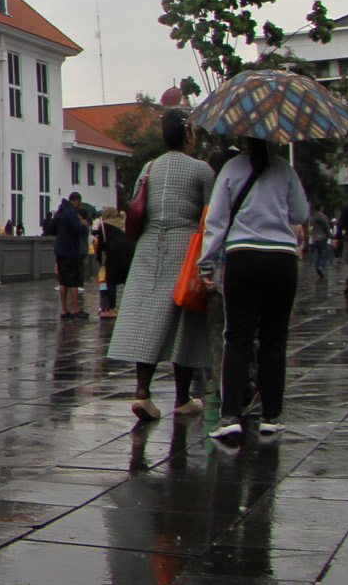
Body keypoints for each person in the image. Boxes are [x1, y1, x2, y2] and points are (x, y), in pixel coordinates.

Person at [200, 134, 310, 445]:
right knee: (274, 339)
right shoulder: (284, 168)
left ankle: (231, 415)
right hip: (282, 260)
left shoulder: (232, 169)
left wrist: (206, 262)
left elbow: (217, 221)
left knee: (238, 337)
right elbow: (300, 214)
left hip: (243, 257)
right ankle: (272, 416)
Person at [107, 111, 215, 420]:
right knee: (186, 319)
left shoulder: (149, 168)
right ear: (189, 136)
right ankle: (182, 397)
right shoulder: (202, 170)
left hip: (148, 246)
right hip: (186, 246)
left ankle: (143, 391)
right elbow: (211, 216)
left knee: (147, 318)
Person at [48, 191, 91, 318]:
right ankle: (76, 309)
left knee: (63, 281)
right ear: (76, 201)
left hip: (60, 250)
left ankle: (64, 310)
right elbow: (77, 230)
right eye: (80, 203)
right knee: (73, 281)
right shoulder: (71, 212)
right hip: (71, 251)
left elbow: (51, 229)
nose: (79, 206)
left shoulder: (60, 212)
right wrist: (83, 226)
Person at [96, 207, 133, 319]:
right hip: (131, 251)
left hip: (115, 252)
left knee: (110, 280)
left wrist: (99, 260)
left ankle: (111, 309)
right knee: (127, 279)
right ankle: (130, 307)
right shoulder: (123, 222)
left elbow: (101, 244)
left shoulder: (104, 225)